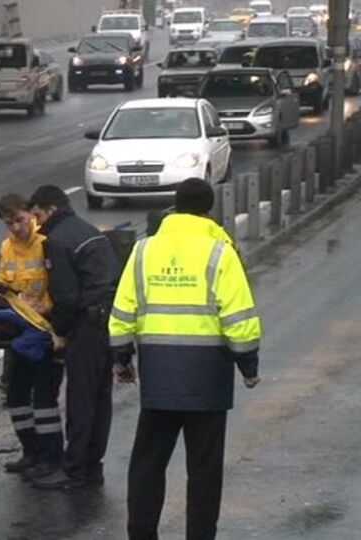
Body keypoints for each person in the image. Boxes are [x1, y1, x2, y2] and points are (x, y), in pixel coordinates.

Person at [109, 178, 262, 540]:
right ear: (209, 210)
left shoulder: (144, 250)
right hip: (208, 379)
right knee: (204, 469)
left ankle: (141, 534)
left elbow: (121, 313)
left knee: (147, 463)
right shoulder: (220, 252)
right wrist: (248, 367)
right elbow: (238, 317)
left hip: (159, 376)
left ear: (174, 207)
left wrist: (122, 360)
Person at [27, 185, 120, 489]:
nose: (37, 223)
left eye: (38, 215)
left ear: (51, 209)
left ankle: (75, 468)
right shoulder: (87, 230)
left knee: (80, 400)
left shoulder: (58, 240)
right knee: (99, 398)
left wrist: (60, 331)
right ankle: (93, 465)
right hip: (108, 320)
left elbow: (66, 296)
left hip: (86, 325)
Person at [0, 194, 64, 478]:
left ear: (32, 216)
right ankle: (30, 451)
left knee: (44, 396)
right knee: (16, 393)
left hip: (47, 329)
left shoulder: (46, 244)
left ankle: (51, 456)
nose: (17, 228)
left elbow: (59, 285)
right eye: (10, 223)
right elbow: (4, 286)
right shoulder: (6, 248)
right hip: (20, 329)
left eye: (20, 220)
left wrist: (45, 306)